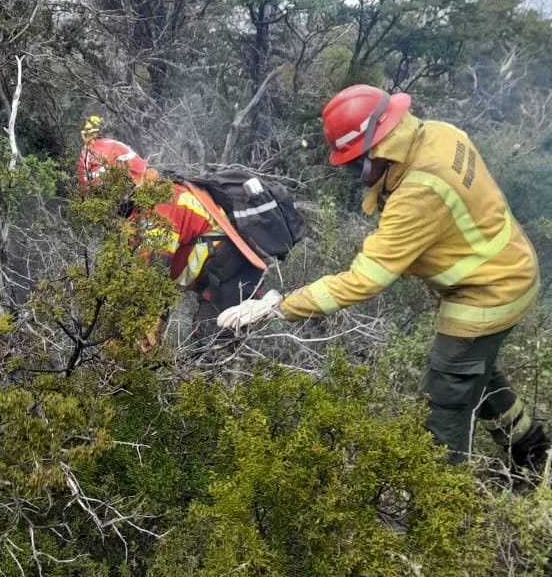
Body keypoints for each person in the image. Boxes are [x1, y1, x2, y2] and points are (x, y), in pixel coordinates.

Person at [218, 84, 550, 471]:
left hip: (488, 293)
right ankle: (533, 451)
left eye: (350, 162)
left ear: (375, 149)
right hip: (510, 265)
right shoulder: (439, 134)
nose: (349, 172)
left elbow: (364, 280)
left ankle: (439, 501)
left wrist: (278, 306)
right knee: (478, 372)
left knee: (445, 395)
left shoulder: (418, 192)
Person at [77, 122, 264, 326]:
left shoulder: (161, 204)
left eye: (106, 194)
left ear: (125, 178)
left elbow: (153, 280)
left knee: (211, 343)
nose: (108, 204)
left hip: (232, 278)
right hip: (216, 279)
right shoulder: (141, 206)